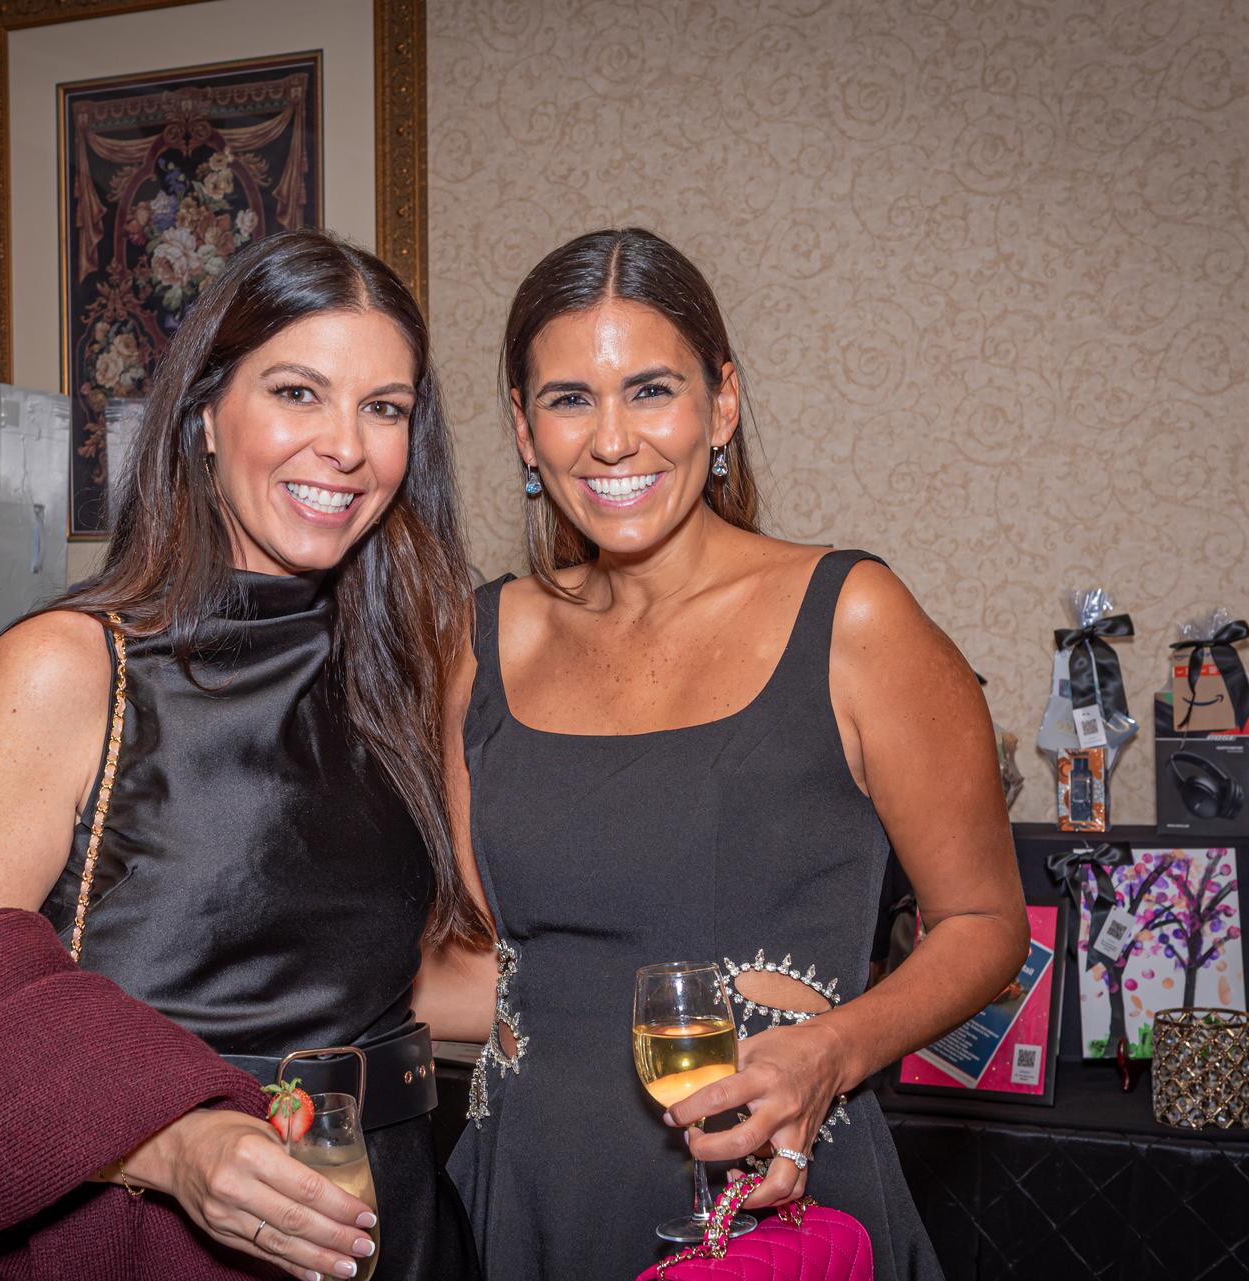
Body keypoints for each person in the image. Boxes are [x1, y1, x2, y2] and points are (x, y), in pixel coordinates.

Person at [0, 229, 485, 1281]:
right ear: (202, 414)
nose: (347, 446)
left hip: (381, 1209)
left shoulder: (410, 667)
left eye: (385, 409)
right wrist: (176, 1145)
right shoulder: (70, 666)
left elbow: (389, 974)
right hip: (144, 1224)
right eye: (297, 392)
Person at [414, 228, 1028, 1281]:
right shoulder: (479, 642)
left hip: (768, 1210)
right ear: (523, 430)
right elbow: (482, 963)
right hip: (521, 1202)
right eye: (569, 400)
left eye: (651, 389)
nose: (612, 441)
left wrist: (833, 1051)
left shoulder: (852, 618)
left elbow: (986, 925)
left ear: (722, 402)